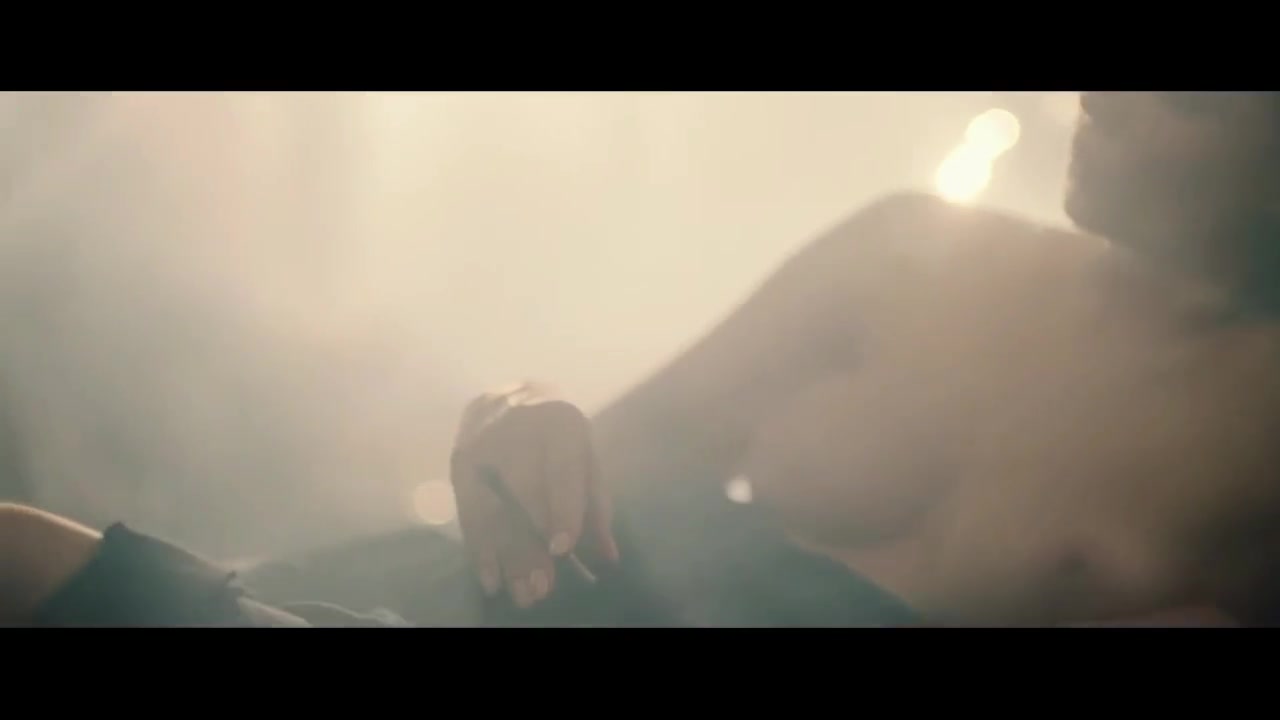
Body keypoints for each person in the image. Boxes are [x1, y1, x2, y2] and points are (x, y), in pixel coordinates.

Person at [9, 91, 1280, 626]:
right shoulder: (917, 250)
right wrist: (523, 417)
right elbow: (588, 445)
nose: (1101, 96)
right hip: (552, 605)